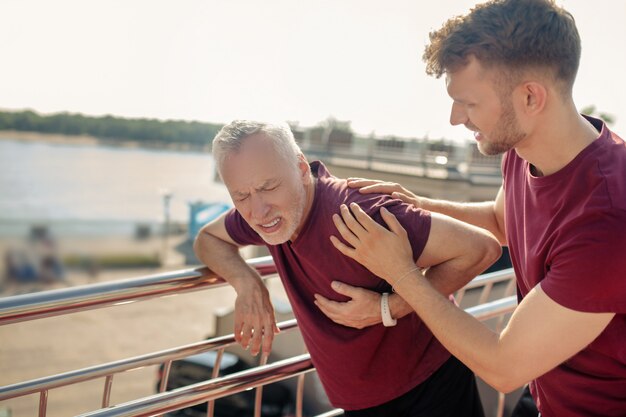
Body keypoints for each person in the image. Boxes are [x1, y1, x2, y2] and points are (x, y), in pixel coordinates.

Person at [327, 1, 626, 416]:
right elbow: (504, 222)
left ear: (529, 96)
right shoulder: (525, 149)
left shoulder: (609, 219)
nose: (454, 119)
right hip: (547, 389)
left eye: (467, 102)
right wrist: (416, 204)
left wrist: (402, 275)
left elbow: (503, 367)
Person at [194, 120, 501, 416]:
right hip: (358, 401)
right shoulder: (268, 216)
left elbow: (480, 248)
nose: (258, 211)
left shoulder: (360, 212)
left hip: (430, 386)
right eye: (242, 196)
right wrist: (247, 282)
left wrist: (390, 306)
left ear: (301, 168)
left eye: (269, 186)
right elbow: (207, 239)